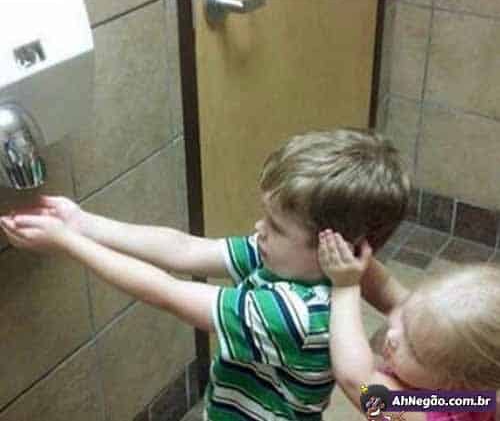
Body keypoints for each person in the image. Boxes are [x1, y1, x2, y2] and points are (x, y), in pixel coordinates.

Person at [0, 129, 410, 421]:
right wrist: (83, 222)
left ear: (333, 247)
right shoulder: (289, 261)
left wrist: (69, 243)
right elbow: (185, 249)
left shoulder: (294, 313)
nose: (259, 228)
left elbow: (166, 292)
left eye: (276, 226)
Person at [318, 229, 500, 421]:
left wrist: (345, 286)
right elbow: (387, 289)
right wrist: (355, 258)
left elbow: (357, 379)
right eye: (404, 317)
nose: (392, 336)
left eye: (412, 348)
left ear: (454, 386)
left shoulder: (443, 411)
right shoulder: (441, 336)